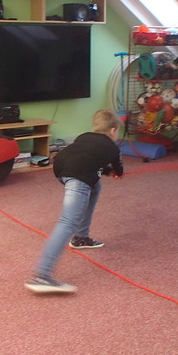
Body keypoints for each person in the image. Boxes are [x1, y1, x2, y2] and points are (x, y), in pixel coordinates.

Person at [25, 109, 124, 294]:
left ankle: (81, 238)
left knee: (95, 187)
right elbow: (119, 169)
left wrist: (106, 171)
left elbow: (88, 160)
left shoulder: (84, 137)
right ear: (112, 130)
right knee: (67, 222)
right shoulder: (112, 147)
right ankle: (42, 276)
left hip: (62, 168)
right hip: (78, 177)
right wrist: (116, 172)